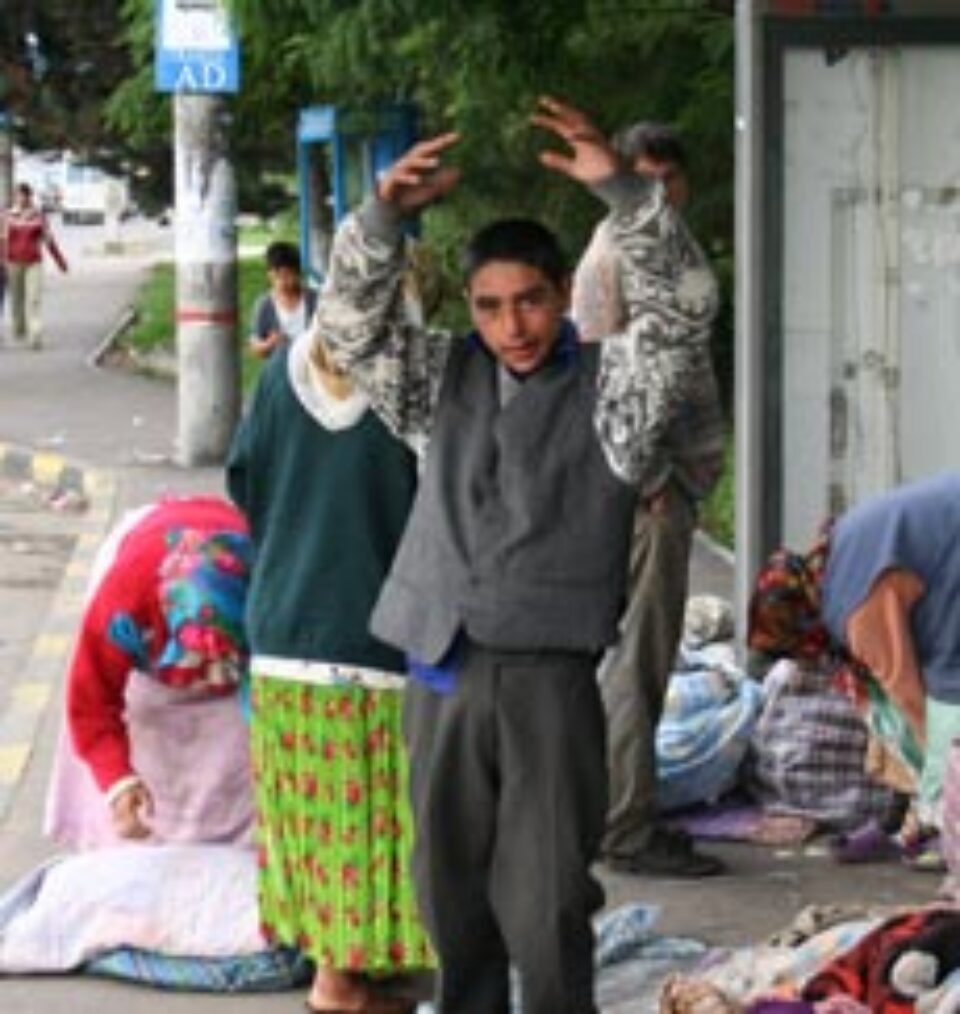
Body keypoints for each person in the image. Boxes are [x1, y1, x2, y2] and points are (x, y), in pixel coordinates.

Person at [310, 95, 717, 1014]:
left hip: (547, 677)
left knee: (545, 902)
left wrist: (618, 186)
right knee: (448, 893)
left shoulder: (616, 389)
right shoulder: (435, 377)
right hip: (439, 667)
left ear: (560, 290)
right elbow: (344, 332)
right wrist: (382, 218)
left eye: (530, 300)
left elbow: (686, 308)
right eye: (491, 307)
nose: (513, 325)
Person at [227, 319, 432, 1011]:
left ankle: (346, 971)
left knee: (311, 821)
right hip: (368, 634)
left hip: (283, 628)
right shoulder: (407, 386)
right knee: (371, 819)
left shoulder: (278, 377)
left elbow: (245, 482)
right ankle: (340, 983)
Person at [571, 121, 726, 877]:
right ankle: (623, 826)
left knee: (642, 657)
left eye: (669, 179)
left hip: (656, 486)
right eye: (646, 180)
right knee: (638, 658)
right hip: (646, 491)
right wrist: (655, 480)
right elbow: (613, 378)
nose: (662, 194)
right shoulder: (618, 256)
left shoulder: (654, 250)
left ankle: (623, 812)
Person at [748, 472, 960, 838]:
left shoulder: (855, 608)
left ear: (799, 626)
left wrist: (935, 795)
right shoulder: (835, 553)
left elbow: (911, 699)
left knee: (947, 710)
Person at [44, 495, 254, 847]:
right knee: (143, 725)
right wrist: (118, 781)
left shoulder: (265, 595)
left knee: (236, 741)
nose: (212, 679)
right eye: (197, 661)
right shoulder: (121, 604)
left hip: (228, 543)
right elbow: (91, 703)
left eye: (222, 665)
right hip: (145, 556)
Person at [2, 181, 68, 349]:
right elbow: (2, 240)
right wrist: (2, 261)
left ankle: (35, 335)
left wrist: (60, 261)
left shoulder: (39, 216)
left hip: (34, 263)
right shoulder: (7, 216)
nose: (21, 198)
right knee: (16, 300)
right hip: (13, 262)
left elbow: (49, 240)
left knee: (34, 299)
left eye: (24, 195)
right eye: (18, 195)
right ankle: (19, 328)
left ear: (29, 196)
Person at [248, 239, 317, 359]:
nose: (283, 282)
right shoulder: (265, 305)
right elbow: (255, 347)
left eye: (288, 275)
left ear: (298, 274)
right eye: (277, 276)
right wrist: (269, 344)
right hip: (280, 366)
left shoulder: (314, 299)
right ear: (269, 275)